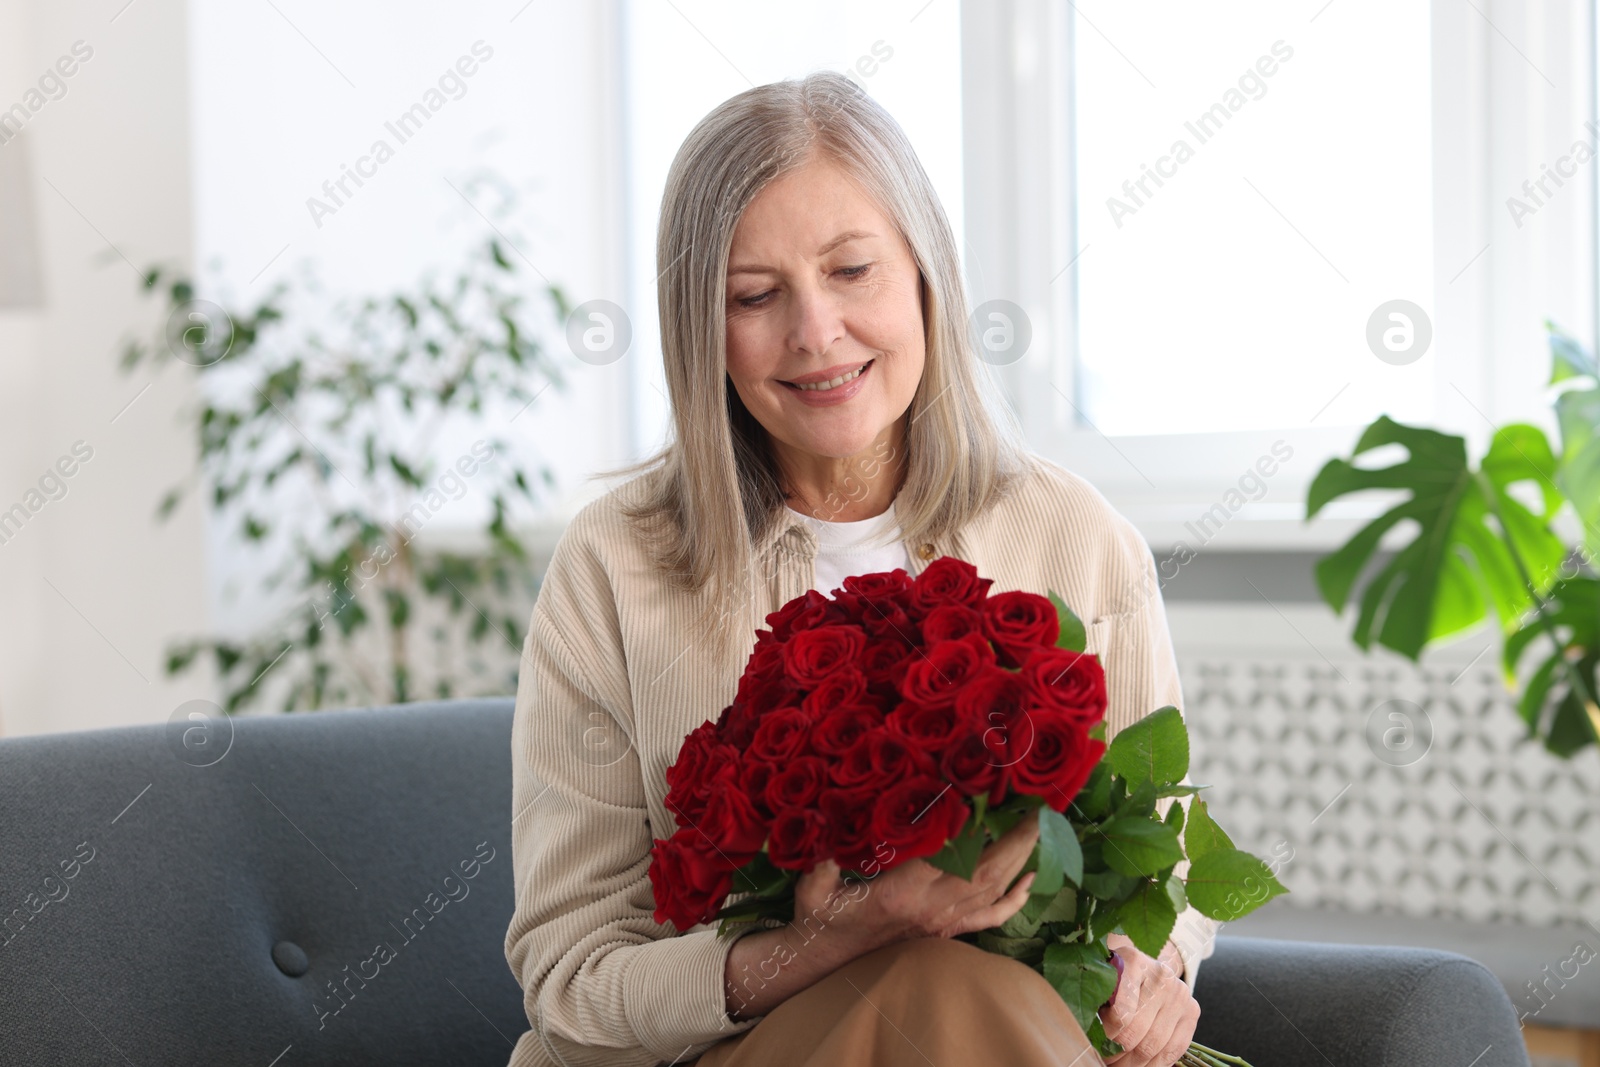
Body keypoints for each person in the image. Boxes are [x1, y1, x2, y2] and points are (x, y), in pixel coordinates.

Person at [502, 70, 1218, 1067]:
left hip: (1024, 1032)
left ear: (926, 274)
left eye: (852, 271)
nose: (814, 333)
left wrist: (1148, 970)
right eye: (755, 295)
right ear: (699, 331)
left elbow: (1164, 874)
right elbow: (574, 982)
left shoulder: (1074, 533)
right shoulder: (611, 565)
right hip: (734, 1052)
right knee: (933, 980)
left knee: (961, 993)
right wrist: (832, 937)